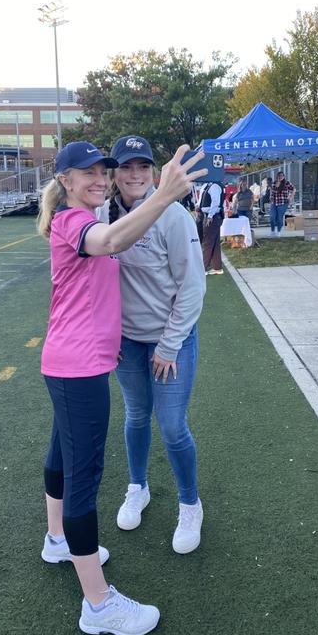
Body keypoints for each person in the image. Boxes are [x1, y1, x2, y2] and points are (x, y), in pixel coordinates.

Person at [38, 140, 206, 635]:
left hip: (75, 361)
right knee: (84, 482)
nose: (101, 178)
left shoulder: (94, 215)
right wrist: (165, 195)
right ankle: (99, 604)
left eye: (101, 172)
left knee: (63, 458)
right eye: (86, 172)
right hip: (81, 365)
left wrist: (169, 343)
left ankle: (55, 540)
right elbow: (110, 243)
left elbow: (185, 281)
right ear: (65, 179)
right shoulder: (81, 221)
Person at [99, 134, 206, 556]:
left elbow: (193, 288)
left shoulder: (174, 216)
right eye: (126, 167)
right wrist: (109, 337)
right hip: (127, 342)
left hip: (170, 340)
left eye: (143, 166)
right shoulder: (102, 215)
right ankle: (137, 487)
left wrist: (168, 345)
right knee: (136, 416)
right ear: (114, 173)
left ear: (154, 172)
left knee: (173, 426)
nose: (135, 174)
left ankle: (190, 503)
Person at [199, 180, 225, 275]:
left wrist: (210, 216)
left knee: (208, 242)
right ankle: (217, 267)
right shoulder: (210, 185)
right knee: (214, 243)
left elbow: (215, 202)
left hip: (212, 216)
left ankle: (203, 268)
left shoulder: (214, 186)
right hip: (213, 215)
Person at [270, 171, 295, 237]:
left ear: (284, 177)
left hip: (283, 203)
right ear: (277, 177)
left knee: (279, 218)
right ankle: (272, 231)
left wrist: (291, 196)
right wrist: (271, 196)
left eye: (282, 176)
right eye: (279, 176)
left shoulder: (287, 183)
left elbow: (294, 189)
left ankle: (278, 231)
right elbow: (272, 192)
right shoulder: (274, 183)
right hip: (274, 203)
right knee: (272, 217)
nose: (280, 177)